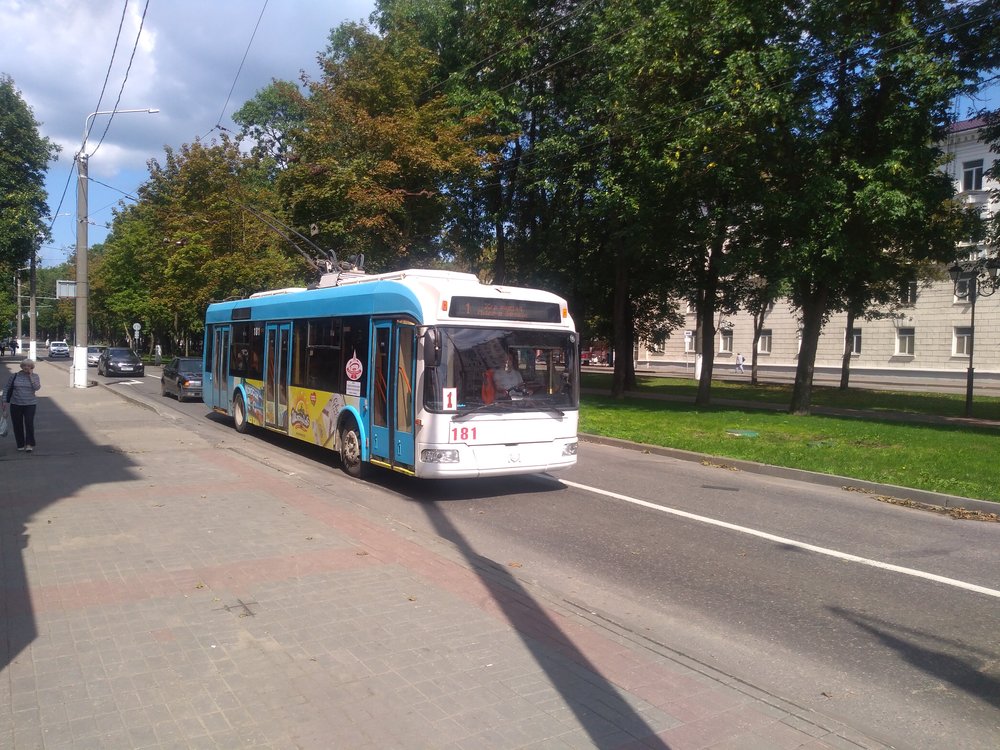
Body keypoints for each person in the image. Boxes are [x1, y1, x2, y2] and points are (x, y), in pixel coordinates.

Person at [4, 358, 41, 452]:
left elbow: (36, 388)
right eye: (24, 365)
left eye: (28, 366)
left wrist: (31, 376)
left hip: (30, 404)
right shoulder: (15, 376)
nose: (26, 367)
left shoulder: (35, 376)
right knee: (17, 424)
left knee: (29, 424)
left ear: (32, 367)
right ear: (21, 366)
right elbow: (7, 388)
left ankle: (29, 444)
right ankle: (20, 444)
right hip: (16, 403)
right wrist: (4, 401)